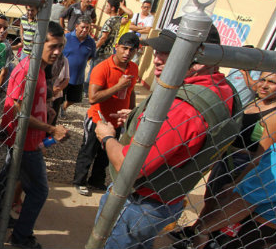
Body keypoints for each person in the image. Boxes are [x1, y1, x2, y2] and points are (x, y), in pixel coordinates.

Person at [93, 17, 235, 249]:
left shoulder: (182, 108)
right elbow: (183, 136)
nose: (157, 59)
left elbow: (130, 166)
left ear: (200, 58)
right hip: (165, 200)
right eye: (158, 50)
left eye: (169, 52)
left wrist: (106, 136)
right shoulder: (220, 89)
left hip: (139, 203)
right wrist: (136, 117)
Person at [169, 70, 276, 247]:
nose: (264, 85)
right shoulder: (256, 102)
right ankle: (194, 232)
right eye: (262, 79)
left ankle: (203, 238)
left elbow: (260, 156)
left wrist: (238, 182)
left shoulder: (273, 115)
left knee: (222, 207)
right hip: (227, 159)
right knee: (210, 201)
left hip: (242, 166)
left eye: (271, 82)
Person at [0, 21, 70, 249]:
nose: (57, 52)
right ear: (37, 43)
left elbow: (30, 104)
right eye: (53, 46)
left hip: (26, 138)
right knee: (38, 190)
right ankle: (21, 237)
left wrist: (46, 109)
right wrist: (51, 129)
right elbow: (19, 112)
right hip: (23, 139)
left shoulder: (40, 68)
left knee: (8, 176)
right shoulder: (27, 69)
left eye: (61, 47)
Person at [73, 33, 139, 196]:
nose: (127, 53)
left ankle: (96, 180)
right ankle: (79, 181)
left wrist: (131, 115)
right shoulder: (103, 68)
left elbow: (131, 92)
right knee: (89, 150)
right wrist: (118, 86)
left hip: (116, 121)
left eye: (132, 50)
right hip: (98, 119)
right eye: (124, 48)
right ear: (116, 46)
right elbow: (93, 98)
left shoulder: (133, 68)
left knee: (106, 153)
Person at [62, 17, 96, 114]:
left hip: (78, 77)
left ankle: (63, 107)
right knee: (59, 96)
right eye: (82, 27)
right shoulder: (67, 38)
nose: (85, 30)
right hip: (63, 75)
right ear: (76, 26)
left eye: (87, 28)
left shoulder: (91, 42)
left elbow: (90, 56)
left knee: (74, 98)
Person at [95, 0, 124, 64]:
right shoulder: (118, 19)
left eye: (107, 6)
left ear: (112, 8)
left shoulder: (110, 21)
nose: (106, 8)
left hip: (101, 52)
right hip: (109, 52)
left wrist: (94, 47)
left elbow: (103, 37)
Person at [129, 0, 155, 64]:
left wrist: (135, 28)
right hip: (131, 39)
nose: (146, 9)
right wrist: (141, 28)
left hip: (140, 42)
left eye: (148, 7)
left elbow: (147, 30)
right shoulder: (136, 15)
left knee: (135, 61)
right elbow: (130, 26)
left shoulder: (150, 18)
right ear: (142, 7)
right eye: (145, 7)